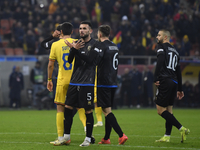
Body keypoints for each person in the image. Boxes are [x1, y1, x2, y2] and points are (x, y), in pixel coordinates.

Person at [60, 21, 102, 147]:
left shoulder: (96, 44)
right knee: (68, 108)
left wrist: (75, 49)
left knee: (88, 111)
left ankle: (88, 139)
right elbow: (69, 59)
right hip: (74, 81)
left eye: (84, 28)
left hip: (87, 83)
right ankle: (66, 136)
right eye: (80, 28)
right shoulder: (77, 43)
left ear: (90, 31)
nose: (82, 30)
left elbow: (89, 61)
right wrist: (73, 49)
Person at [154, 29, 190, 143]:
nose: (156, 37)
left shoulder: (161, 47)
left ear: (165, 37)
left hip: (165, 80)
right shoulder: (175, 51)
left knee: (160, 110)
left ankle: (182, 128)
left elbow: (160, 61)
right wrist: (180, 88)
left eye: (159, 35)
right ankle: (167, 136)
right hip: (174, 82)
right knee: (169, 110)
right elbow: (178, 71)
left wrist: (155, 78)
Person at [96, 25, 128, 145]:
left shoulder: (101, 46)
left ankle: (121, 135)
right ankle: (106, 138)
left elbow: (96, 61)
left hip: (103, 82)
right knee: (107, 110)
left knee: (107, 112)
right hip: (113, 82)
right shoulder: (114, 46)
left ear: (99, 34)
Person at [47, 22, 78, 145]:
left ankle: (61, 137)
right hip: (76, 80)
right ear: (71, 31)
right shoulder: (77, 42)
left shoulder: (55, 45)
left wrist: (49, 80)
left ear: (61, 32)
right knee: (81, 108)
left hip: (62, 80)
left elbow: (50, 65)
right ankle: (88, 135)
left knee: (60, 108)